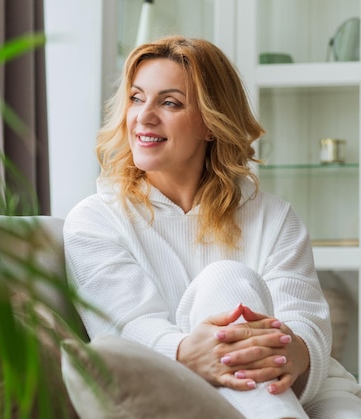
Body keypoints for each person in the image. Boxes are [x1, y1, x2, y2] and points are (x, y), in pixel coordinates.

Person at [63, 35, 361, 418]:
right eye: (137, 98)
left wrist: (293, 350)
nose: (144, 116)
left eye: (169, 102)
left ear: (210, 123)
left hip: (305, 388)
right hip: (181, 388)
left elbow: (305, 321)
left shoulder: (273, 217)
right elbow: (127, 330)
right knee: (226, 277)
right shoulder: (94, 221)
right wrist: (188, 351)